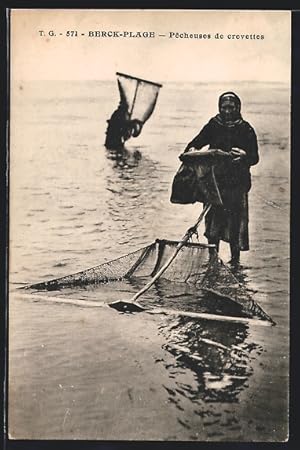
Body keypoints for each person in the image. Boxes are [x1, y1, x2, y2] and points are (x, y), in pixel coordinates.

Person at [181, 92, 259, 266]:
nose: (227, 111)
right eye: (224, 107)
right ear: (219, 107)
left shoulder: (246, 129)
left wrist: (245, 156)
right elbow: (195, 143)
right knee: (213, 225)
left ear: (238, 108)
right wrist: (193, 149)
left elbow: (255, 158)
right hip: (214, 183)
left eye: (231, 107)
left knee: (235, 224)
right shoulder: (213, 125)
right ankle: (212, 260)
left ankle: (235, 263)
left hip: (237, 184)